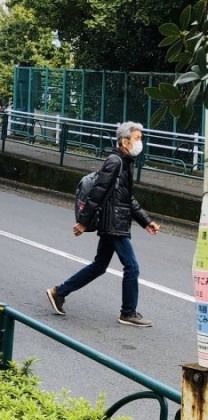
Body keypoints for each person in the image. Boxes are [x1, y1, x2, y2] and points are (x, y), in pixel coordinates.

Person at [46, 121, 161, 327]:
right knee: (132, 267)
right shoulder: (115, 162)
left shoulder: (125, 163)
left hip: (115, 221)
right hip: (113, 223)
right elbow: (97, 192)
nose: (140, 142)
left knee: (99, 266)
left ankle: (59, 292)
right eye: (137, 138)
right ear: (125, 141)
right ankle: (128, 312)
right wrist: (83, 222)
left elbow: (128, 199)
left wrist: (146, 221)